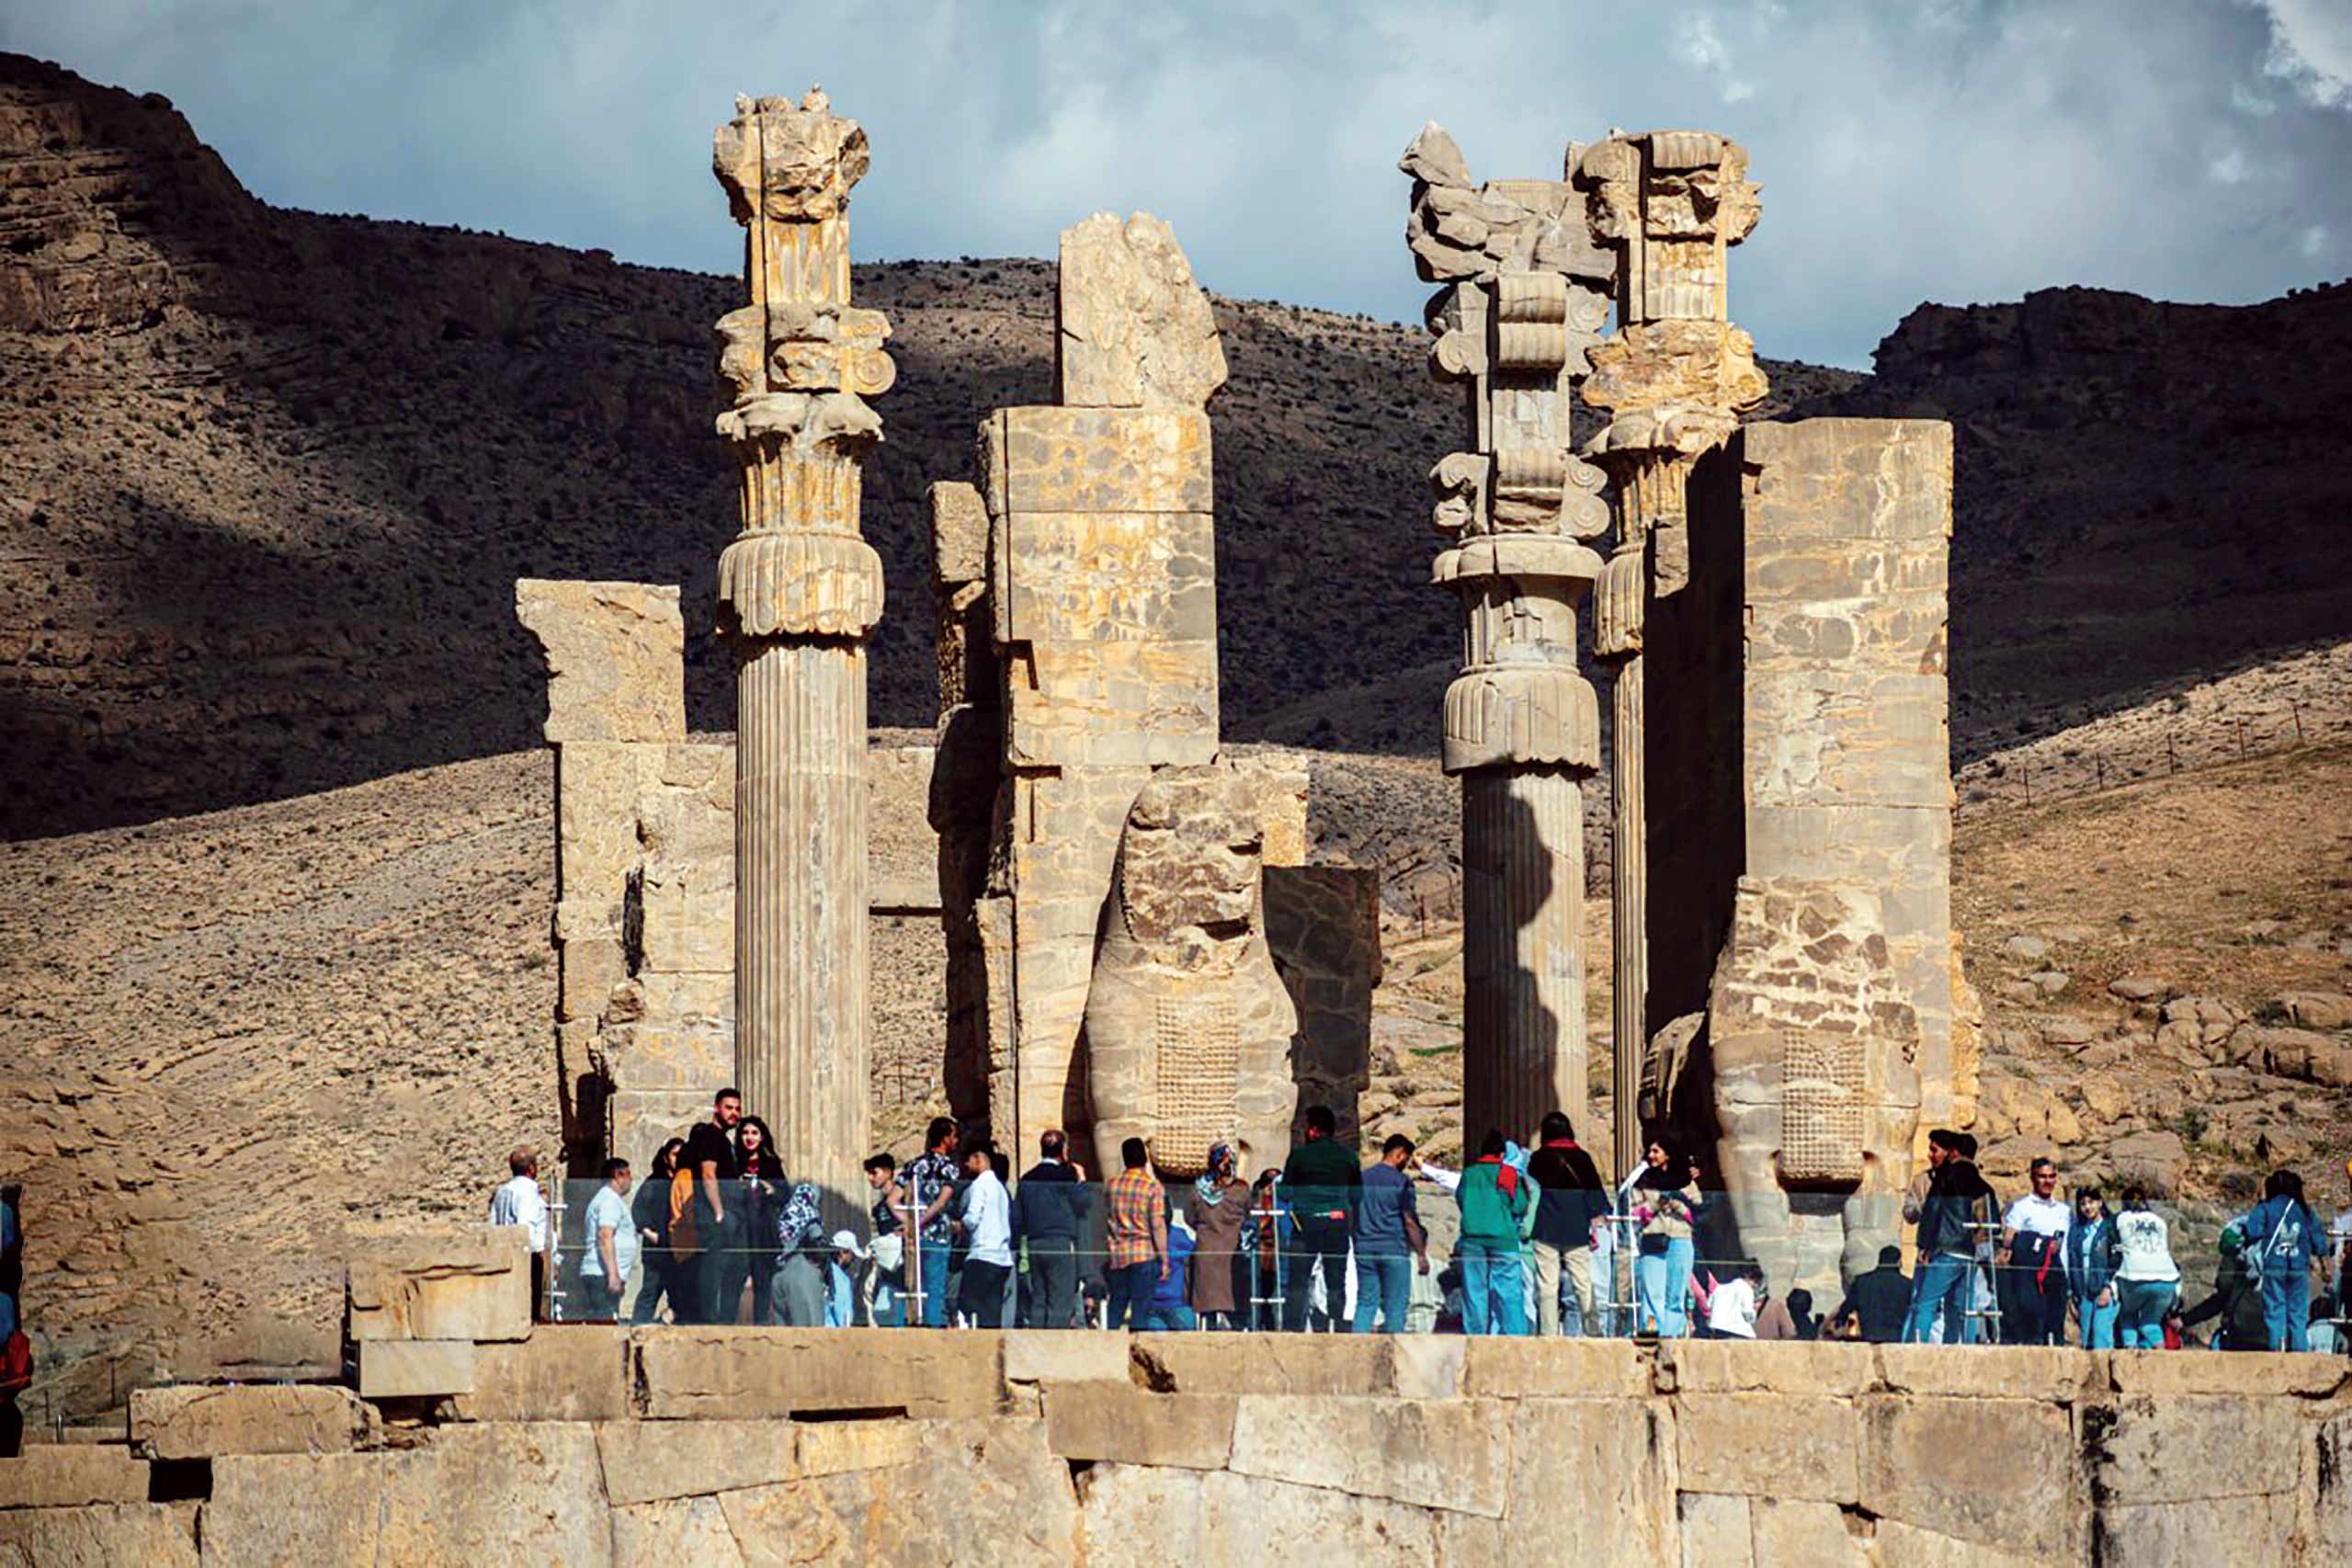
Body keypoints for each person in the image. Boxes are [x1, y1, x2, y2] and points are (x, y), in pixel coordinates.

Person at [1903, 1131, 1997, 1344]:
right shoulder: (1984, 1186)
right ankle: (1964, 1347)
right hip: (1969, 1254)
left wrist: (1925, 1246)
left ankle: (1918, 1346)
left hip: (1945, 1250)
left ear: (1953, 1152)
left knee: (1926, 1303)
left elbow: (1933, 1211)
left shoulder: (1945, 1177)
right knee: (1963, 1307)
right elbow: (1992, 1224)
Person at [1527, 1112, 1607, 1337]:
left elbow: (1532, 1178)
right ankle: (1593, 1331)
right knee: (1583, 1282)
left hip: (1546, 1226)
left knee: (1547, 1285)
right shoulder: (1582, 1158)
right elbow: (1595, 1192)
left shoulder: (1539, 1158)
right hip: (1576, 1227)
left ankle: (1548, 1334)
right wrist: (1595, 1219)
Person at [1281, 1106, 1361, 1333]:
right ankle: (1337, 1327)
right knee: (1336, 1280)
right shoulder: (1348, 1156)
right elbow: (1357, 1195)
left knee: (1298, 1281)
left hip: (1304, 1225)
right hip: (1337, 1223)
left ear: (1314, 1130)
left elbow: (1285, 1193)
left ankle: (1293, 1329)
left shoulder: (1299, 1156)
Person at [1457, 1129, 1532, 1335]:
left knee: (1474, 1293)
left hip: (1472, 1239)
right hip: (1503, 1239)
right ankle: (1515, 1338)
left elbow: (1461, 1199)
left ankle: (1475, 1339)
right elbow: (1520, 1206)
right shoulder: (1508, 1173)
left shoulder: (1469, 1174)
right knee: (1509, 1293)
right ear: (1501, 1154)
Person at [2243, 1168, 2325, 1352]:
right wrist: (2323, 1262)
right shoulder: (2304, 1210)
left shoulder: (2266, 1208)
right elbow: (2319, 1241)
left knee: (2274, 1310)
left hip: (2274, 1265)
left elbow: (2252, 1231)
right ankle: (2298, 1351)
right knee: (2298, 1312)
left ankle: (2276, 1348)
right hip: (2299, 1266)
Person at [1015, 1131, 1089, 1330]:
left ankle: (1037, 1339)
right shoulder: (1066, 1175)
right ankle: (1054, 1342)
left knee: (1039, 1299)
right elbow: (1083, 1203)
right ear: (1063, 1150)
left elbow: (1018, 1217)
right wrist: (1081, 1179)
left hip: (1034, 1242)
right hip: (1060, 1242)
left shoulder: (1027, 1178)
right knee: (1060, 1299)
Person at [683, 1088, 744, 1324]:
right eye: (729, 1108)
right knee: (715, 1266)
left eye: (737, 1109)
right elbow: (708, 1173)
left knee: (733, 1265)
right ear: (717, 1108)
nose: (734, 1113)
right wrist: (719, 1212)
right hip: (718, 1214)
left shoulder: (722, 1140)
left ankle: (721, 1318)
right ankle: (711, 1318)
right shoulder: (711, 1136)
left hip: (728, 1213)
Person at [1352, 1134, 1426, 1334]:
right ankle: (1393, 1347)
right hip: (1393, 1248)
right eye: (1406, 1159)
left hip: (1365, 1247)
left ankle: (1357, 1346)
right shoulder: (1402, 1182)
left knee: (1366, 1302)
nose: (1406, 1164)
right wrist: (1420, 1254)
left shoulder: (1362, 1178)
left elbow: (1353, 1212)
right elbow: (1409, 1221)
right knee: (1396, 1304)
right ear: (1399, 1154)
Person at [1999, 1157, 2072, 1346]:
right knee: (2033, 1328)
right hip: (2031, 1277)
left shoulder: (2064, 1210)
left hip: (2058, 1275)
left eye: (2051, 1176)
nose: (2047, 1181)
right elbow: (2009, 1239)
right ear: (2033, 1178)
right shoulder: (2021, 1207)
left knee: (2056, 1326)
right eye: (2042, 1176)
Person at [1631, 1153, 1701, 1337]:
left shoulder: (1687, 1184)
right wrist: (1656, 1205)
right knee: (1652, 1293)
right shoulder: (1643, 1182)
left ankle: (1669, 1336)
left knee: (1676, 1295)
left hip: (1681, 1239)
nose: (1652, 1155)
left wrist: (1680, 1206)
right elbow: (1634, 1215)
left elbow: (1698, 1216)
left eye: (1657, 1151)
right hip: (1654, 1238)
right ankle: (1651, 1334)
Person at [1186, 1143, 1251, 1331]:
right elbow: (1248, 1216)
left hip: (1206, 1253)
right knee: (1234, 1303)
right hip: (1232, 1253)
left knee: (1208, 1306)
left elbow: (1190, 1218)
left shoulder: (1198, 1189)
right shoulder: (1241, 1190)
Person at [1105, 1137, 1168, 1329]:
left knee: (1116, 1306)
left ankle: (1111, 1343)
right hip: (1143, 1253)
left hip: (1117, 1254)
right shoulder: (1152, 1186)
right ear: (1145, 1158)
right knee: (1141, 1310)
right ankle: (1135, 1345)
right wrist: (1164, 1259)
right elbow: (1157, 1224)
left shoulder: (1112, 1185)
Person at [903, 1118, 961, 1328]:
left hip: (914, 1236)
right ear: (945, 1138)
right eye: (954, 1136)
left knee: (914, 1284)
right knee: (935, 1288)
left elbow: (893, 1199)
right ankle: (932, 1328)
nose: (956, 1141)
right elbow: (941, 1202)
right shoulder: (949, 1168)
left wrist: (908, 1221)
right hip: (937, 1233)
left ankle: (912, 1323)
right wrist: (920, 1221)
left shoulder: (914, 1165)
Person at [2111, 1186, 2179, 1351]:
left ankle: (2130, 1351)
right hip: (2167, 1277)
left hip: (2135, 1276)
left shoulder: (2120, 1219)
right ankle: (2162, 1355)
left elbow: (2113, 1248)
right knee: (2151, 1322)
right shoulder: (2159, 1221)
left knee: (2128, 1315)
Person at [956, 1139, 1015, 1329]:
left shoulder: (979, 1185)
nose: (966, 1166)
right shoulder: (1001, 1188)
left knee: (966, 1304)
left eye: (968, 1161)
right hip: (1002, 1257)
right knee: (991, 1312)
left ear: (978, 1159)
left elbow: (973, 1218)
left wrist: (959, 1225)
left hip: (982, 1255)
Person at [487, 1146, 551, 1321]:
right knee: (528, 1312)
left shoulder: (503, 1191)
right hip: (526, 1256)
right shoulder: (528, 1191)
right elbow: (525, 1226)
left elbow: (493, 1224)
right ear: (531, 1168)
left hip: (504, 1253)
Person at [631, 1139, 688, 1325]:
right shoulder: (655, 1182)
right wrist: (650, 1234)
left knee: (681, 1298)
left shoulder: (686, 1181)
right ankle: (637, 1329)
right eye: (674, 1154)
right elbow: (638, 1210)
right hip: (657, 1250)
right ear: (666, 1157)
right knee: (650, 1291)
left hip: (679, 1249)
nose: (678, 1159)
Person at [734, 1116, 785, 1327]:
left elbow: (784, 1194)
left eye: (754, 1133)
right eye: (745, 1133)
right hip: (739, 1229)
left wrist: (770, 1189)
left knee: (763, 1282)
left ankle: (762, 1325)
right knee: (735, 1280)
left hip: (764, 1230)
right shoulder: (734, 1162)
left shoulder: (771, 1163)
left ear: (762, 1137)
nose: (749, 1137)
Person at [576, 1158, 637, 1322]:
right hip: (601, 1275)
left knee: (607, 1321)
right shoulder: (609, 1200)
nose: (631, 1180)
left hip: (603, 1275)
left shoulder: (608, 1199)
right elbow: (605, 1235)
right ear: (618, 1175)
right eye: (629, 1175)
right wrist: (613, 1274)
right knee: (605, 1325)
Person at [2065, 1187, 2119, 1349]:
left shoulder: (2110, 1228)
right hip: (2083, 1293)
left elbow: (2118, 1259)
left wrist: (2109, 1287)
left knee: (2101, 1336)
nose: (2087, 1207)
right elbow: (2072, 1262)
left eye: (2091, 1202)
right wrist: (2072, 1293)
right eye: (2083, 1204)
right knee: (2086, 1340)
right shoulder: (2076, 1231)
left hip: (2104, 1290)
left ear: (2100, 1203)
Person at [770, 1181, 826, 1326]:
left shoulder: (785, 1214)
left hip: (780, 1273)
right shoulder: (809, 1214)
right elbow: (817, 1243)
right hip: (802, 1271)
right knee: (810, 1327)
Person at [1833, 1245, 1912, 1344]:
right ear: (1899, 1262)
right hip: (1897, 1339)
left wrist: (1839, 1322)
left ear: (1879, 1260)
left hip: (1869, 1337)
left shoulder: (1862, 1282)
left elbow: (1847, 1308)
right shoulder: (1907, 1284)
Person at [862, 1153, 906, 1326]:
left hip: (902, 1259)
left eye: (874, 1173)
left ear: (888, 1172)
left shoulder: (903, 1198)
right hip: (885, 1262)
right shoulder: (878, 1207)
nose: (870, 1178)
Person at [1137, 1210, 1199, 1331]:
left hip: (1150, 1304)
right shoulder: (1178, 1235)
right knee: (1188, 1335)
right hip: (1176, 1303)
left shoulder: (1142, 1237)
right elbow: (1195, 1249)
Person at [1701, 1261, 1763, 1339]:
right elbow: (1748, 1315)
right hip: (1739, 1332)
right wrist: (1755, 1310)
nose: (1755, 1286)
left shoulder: (1719, 1288)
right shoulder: (1746, 1289)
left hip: (1718, 1331)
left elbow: (1708, 1306)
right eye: (1756, 1282)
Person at [826, 1232, 867, 1328]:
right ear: (844, 1252)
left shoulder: (819, 1271)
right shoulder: (842, 1279)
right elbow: (843, 1315)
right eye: (852, 1255)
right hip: (833, 1332)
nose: (853, 1259)